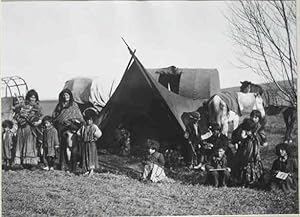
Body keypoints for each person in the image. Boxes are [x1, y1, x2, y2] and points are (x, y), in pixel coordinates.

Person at [52, 89, 84, 171]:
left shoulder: (74, 105)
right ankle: (63, 165)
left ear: (70, 96)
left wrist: (73, 122)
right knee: (63, 147)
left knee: (73, 148)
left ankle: (73, 166)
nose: (66, 97)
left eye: (67, 95)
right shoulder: (59, 105)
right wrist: (60, 122)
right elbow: (55, 116)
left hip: (72, 128)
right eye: (64, 95)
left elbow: (79, 117)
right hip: (62, 129)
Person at [14, 89, 43, 169]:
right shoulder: (22, 105)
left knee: (30, 144)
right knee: (21, 143)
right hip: (22, 128)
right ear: (28, 97)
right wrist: (21, 115)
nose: (32, 99)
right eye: (31, 97)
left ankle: (31, 163)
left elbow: (40, 117)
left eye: (34, 97)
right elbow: (16, 115)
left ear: (36, 98)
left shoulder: (38, 107)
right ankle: (21, 162)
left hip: (31, 128)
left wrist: (38, 122)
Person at [233, 118, 264, 187]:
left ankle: (251, 180)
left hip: (250, 152)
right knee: (243, 164)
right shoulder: (241, 129)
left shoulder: (254, 136)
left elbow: (257, 143)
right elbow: (238, 137)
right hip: (243, 150)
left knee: (249, 163)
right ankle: (243, 180)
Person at [77, 110, 102, 177]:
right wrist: (82, 137)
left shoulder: (94, 127)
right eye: (87, 120)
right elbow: (78, 133)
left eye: (90, 120)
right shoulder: (84, 127)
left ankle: (91, 170)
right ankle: (87, 170)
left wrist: (95, 138)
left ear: (92, 120)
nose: (89, 121)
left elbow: (99, 133)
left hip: (91, 144)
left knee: (91, 156)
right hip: (85, 144)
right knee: (85, 156)